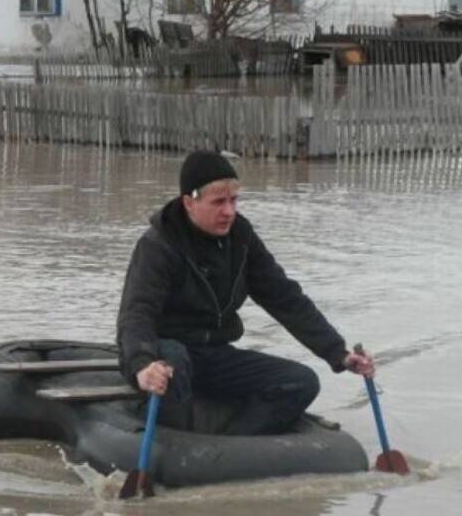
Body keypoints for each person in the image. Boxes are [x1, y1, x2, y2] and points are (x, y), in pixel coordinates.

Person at [116, 150, 375, 435]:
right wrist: (142, 364)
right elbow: (136, 313)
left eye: (234, 200)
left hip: (216, 355)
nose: (229, 211)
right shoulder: (158, 245)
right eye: (218, 202)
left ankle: (232, 438)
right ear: (189, 203)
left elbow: (285, 298)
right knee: (172, 360)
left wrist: (338, 353)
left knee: (303, 382)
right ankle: (169, 424)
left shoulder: (241, 237)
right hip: (167, 354)